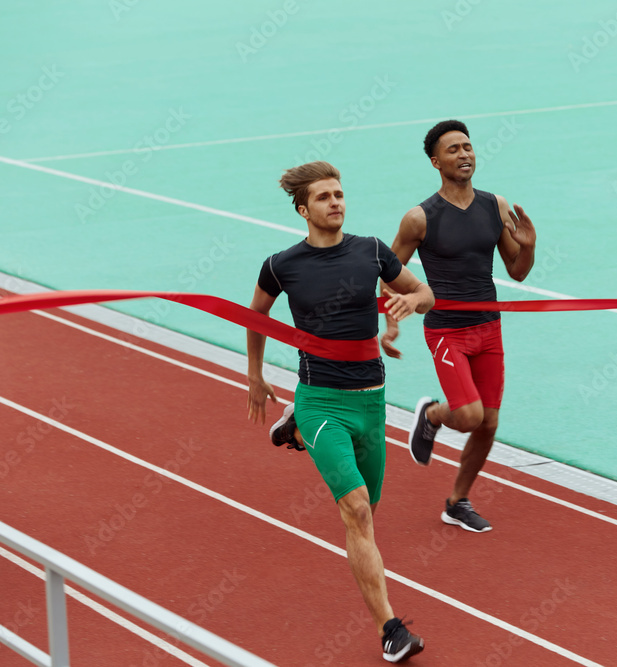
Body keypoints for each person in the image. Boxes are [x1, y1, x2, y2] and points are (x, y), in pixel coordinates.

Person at [246, 161, 433, 663]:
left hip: (371, 402)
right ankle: (390, 629)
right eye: (325, 197)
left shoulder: (371, 250)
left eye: (340, 194)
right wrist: (254, 373)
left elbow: (425, 292)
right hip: (322, 400)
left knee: (369, 510)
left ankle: (295, 426)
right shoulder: (281, 265)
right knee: (354, 510)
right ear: (304, 209)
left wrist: (407, 306)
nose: (336, 202)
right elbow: (254, 315)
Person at [384, 120, 536, 533]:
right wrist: (392, 319)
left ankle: (457, 501)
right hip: (447, 330)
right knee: (468, 415)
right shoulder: (420, 218)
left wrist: (529, 245)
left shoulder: (495, 206)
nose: (464, 154)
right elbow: (389, 271)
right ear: (436, 162)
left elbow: (517, 272)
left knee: (488, 423)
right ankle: (432, 414)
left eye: (468, 147)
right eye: (453, 150)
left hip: (489, 327)